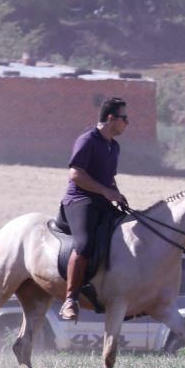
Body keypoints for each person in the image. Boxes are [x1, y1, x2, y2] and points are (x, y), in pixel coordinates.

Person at [57, 97, 130, 321]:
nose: (127, 123)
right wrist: (105, 191)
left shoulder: (113, 146)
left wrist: (117, 193)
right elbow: (76, 174)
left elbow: (109, 179)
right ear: (111, 118)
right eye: (124, 118)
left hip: (102, 201)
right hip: (79, 200)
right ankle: (70, 299)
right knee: (85, 244)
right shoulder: (88, 139)